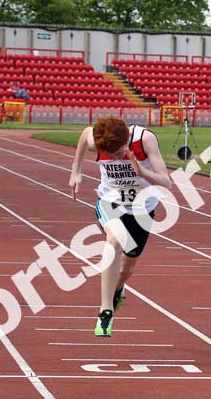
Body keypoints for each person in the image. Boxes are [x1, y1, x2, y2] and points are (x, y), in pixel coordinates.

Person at [69, 116, 171, 338]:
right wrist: (75, 171)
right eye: (111, 156)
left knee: (126, 269)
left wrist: (143, 173)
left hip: (142, 208)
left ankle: (117, 290)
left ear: (126, 140)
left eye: (118, 153)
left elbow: (166, 181)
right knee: (114, 240)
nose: (115, 158)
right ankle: (106, 310)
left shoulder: (145, 139)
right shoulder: (97, 140)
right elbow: (85, 134)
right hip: (110, 201)